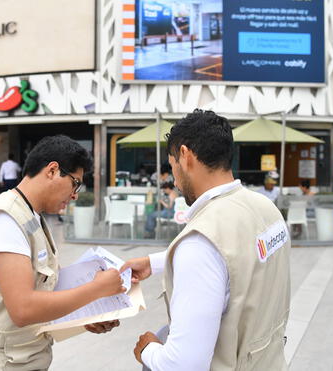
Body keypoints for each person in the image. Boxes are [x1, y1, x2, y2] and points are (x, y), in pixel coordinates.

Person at [121, 109, 291, 370]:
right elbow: (236, 257)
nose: (174, 179)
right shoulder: (266, 209)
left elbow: (182, 364)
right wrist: (154, 262)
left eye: (172, 165)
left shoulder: (201, 242)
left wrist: (148, 349)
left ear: (185, 156)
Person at [0, 135, 124, 370]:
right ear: (52, 170)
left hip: (23, 358)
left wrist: (84, 318)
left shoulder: (31, 215)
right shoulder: (5, 219)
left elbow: (44, 292)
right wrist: (96, 289)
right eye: (75, 183)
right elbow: (23, 308)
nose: (75, 195)